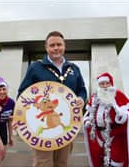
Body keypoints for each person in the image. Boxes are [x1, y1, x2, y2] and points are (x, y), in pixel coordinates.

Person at [17, 31, 87, 167]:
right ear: (46, 48)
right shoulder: (35, 68)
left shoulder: (74, 69)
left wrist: (81, 98)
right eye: (52, 45)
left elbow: (82, 89)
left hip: (67, 125)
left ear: (64, 46)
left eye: (59, 44)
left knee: (62, 162)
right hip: (42, 125)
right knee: (43, 163)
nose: (56, 48)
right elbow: (22, 94)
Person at [83, 72, 129, 167]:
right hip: (98, 134)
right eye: (102, 84)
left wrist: (121, 116)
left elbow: (127, 114)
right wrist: (87, 121)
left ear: (111, 83)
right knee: (98, 157)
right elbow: (88, 113)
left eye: (107, 83)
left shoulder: (118, 95)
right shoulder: (95, 97)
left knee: (116, 158)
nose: (105, 86)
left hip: (114, 134)